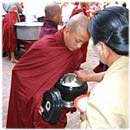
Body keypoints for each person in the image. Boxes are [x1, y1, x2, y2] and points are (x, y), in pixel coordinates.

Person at [6, 13, 90, 128]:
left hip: (56, 105)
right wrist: (38, 97)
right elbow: (19, 72)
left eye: (83, 43)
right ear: (67, 31)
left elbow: (67, 73)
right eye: (77, 40)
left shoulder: (75, 52)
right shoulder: (45, 46)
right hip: (41, 104)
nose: (79, 46)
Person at [74, 6, 128, 128]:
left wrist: (85, 120)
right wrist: (88, 77)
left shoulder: (103, 95)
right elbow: (118, 73)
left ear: (102, 47)